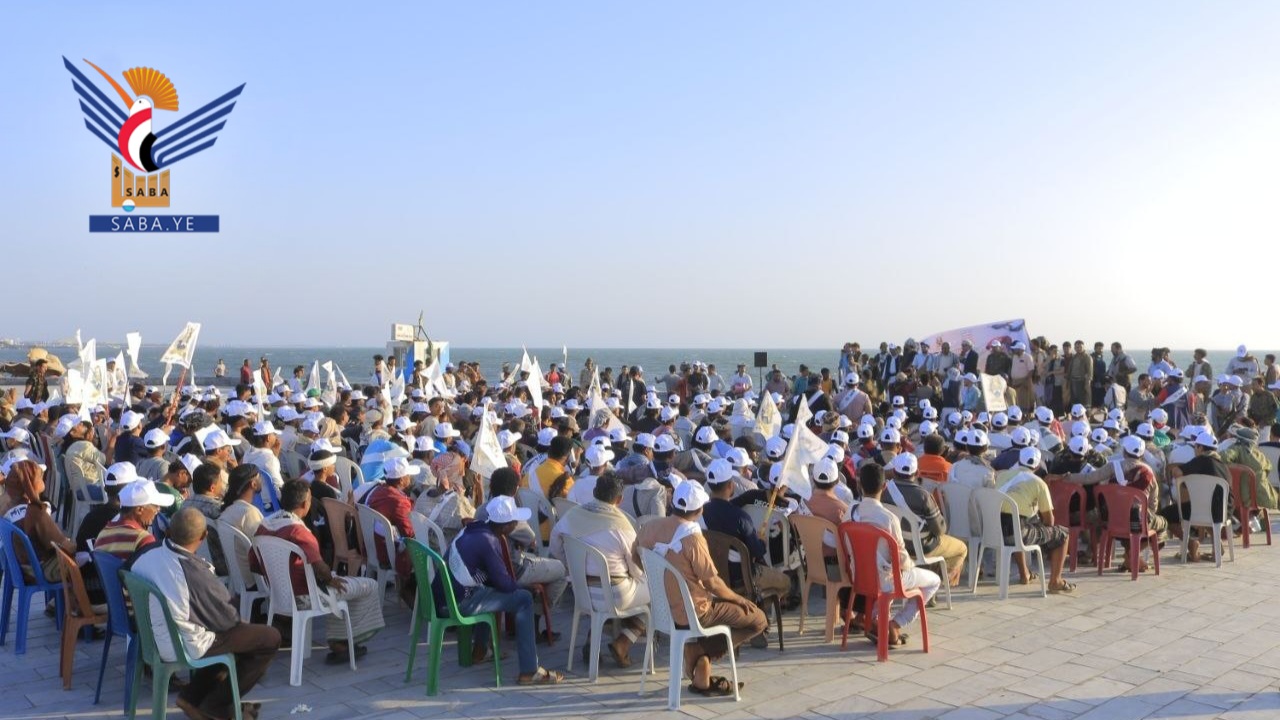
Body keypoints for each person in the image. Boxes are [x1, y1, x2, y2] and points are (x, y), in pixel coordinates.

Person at [128, 508, 280, 720]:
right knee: (268, 638)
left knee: (233, 637)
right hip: (180, 645)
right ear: (204, 536)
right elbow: (228, 619)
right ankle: (217, 706)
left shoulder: (146, 555)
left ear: (168, 532)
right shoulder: (192, 573)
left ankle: (192, 698)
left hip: (152, 637)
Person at [636, 481, 767, 697]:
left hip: (662, 610)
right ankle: (700, 651)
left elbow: (636, 557)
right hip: (695, 613)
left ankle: (701, 661)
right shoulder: (692, 538)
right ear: (699, 510)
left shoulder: (649, 528)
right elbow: (712, 583)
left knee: (728, 607)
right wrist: (739, 599)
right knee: (759, 619)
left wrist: (662, 579)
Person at [436, 495, 565, 685]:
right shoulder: (490, 541)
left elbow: (494, 581)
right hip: (458, 603)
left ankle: (480, 651)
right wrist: (523, 588)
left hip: (443, 598)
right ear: (506, 527)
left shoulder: (472, 529)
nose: (517, 525)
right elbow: (504, 584)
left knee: (489, 589)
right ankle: (529, 671)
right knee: (524, 599)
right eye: (515, 522)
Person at [253, 480, 384, 664]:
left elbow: (254, 563)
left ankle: (339, 639)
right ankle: (341, 642)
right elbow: (321, 568)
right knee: (368, 585)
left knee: (336, 588)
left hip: (277, 596)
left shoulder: (264, 526)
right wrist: (330, 579)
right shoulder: (299, 531)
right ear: (305, 504)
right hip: (305, 598)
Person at [549, 472, 648, 667]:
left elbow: (555, 544)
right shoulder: (623, 526)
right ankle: (623, 642)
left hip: (581, 591)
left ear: (594, 492)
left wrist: (571, 567)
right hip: (615, 594)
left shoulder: (573, 515)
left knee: (609, 599)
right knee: (655, 593)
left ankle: (592, 640)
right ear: (619, 499)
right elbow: (636, 570)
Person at [702, 459, 791, 645]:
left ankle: (748, 614)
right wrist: (761, 541)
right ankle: (751, 616)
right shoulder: (741, 518)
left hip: (713, 577)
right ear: (730, 485)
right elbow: (758, 551)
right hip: (742, 577)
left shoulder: (700, 513)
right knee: (785, 583)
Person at [851, 463, 941, 646]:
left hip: (859, 576)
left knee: (886, 572)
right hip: (885, 580)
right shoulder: (888, 518)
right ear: (884, 487)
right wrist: (911, 567)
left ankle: (876, 620)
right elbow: (902, 560)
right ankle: (895, 624)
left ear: (859, 485)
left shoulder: (850, 512)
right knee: (933, 581)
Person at [476, 468, 568, 637]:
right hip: (514, 570)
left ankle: (524, 614)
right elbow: (531, 540)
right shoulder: (510, 513)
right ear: (514, 490)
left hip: (487, 571)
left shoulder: (481, 510)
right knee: (562, 571)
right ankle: (534, 617)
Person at [883, 453, 967, 586]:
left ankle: (929, 581)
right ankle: (938, 583)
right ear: (917, 472)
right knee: (962, 549)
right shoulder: (923, 496)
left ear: (894, 471)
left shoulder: (884, 491)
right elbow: (940, 530)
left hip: (894, 546)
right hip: (921, 548)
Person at [997, 448, 1073, 593]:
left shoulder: (1002, 476)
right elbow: (1049, 521)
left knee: (1019, 525)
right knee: (1063, 534)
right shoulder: (1039, 483)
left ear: (1019, 460)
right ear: (1038, 466)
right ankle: (1056, 581)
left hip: (995, 531)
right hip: (1016, 533)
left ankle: (1024, 573)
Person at [2, 459, 74, 581]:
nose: (43, 478)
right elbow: (61, 544)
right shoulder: (35, 510)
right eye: (40, 476)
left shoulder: (7, 509)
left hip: (22, 570)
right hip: (41, 570)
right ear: (30, 483)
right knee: (86, 560)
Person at [361, 457, 419, 605]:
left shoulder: (377, 491)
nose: (410, 478)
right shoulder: (398, 501)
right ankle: (412, 592)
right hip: (386, 552)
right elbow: (409, 533)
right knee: (426, 548)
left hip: (372, 547)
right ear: (401, 480)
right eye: (408, 475)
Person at [95, 480, 174, 560]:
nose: (157, 510)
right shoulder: (143, 539)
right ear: (139, 510)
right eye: (156, 506)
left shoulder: (102, 534)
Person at [220, 464, 266, 585]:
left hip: (238, 579)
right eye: (259, 477)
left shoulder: (227, 511)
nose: (261, 480)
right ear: (253, 484)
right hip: (255, 581)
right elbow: (263, 549)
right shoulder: (248, 513)